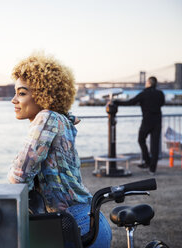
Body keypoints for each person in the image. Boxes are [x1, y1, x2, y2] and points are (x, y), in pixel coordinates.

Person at [7, 53, 112, 247]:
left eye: (21, 93)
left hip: (76, 227)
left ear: (42, 95)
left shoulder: (46, 118)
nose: (13, 100)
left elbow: (18, 175)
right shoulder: (61, 119)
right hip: (89, 221)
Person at [112, 76, 165, 175]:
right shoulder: (160, 94)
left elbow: (130, 102)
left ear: (149, 83)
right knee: (155, 145)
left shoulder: (143, 94)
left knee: (141, 140)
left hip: (147, 121)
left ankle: (147, 161)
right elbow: (162, 103)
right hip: (157, 122)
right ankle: (152, 169)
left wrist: (116, 102)